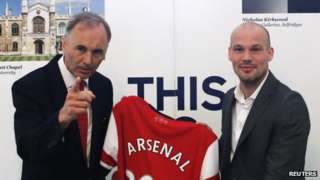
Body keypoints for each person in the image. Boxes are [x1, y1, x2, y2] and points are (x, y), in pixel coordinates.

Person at [12, 12, 113, 180]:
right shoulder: (29, 86)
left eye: (97, 52)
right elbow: (27, 149)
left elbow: (97, 147)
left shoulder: (104, 86)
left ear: (105, 53)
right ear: (63, 44)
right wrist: (62, 118)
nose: (88, 60)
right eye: (81, 49)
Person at [219, 22, 310, 180]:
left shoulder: (290, 105)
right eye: (239, 49)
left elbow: (283, 176)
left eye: (255, 49)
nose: (246, 57)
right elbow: (233, 155)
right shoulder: (228, 98)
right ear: (229, 54)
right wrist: (202, 138)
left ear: (270, 53)